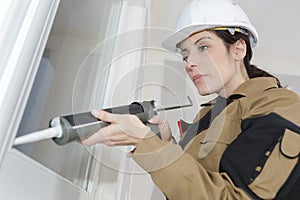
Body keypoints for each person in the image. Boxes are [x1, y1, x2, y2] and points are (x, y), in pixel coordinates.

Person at [82, 0, 300, 199]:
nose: (189, 63)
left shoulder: (281, 106)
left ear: (238, 49)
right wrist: (165, 143)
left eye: (203, 47)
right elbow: (197, 186)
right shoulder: (209, 114)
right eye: (185, 55)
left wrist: (147, 144)